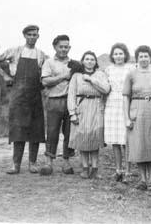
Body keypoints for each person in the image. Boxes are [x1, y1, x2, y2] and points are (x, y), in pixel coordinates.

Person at [0, 25, 48, 174]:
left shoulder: (41, 55)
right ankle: (16, 165)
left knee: (36, 129)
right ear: (25, 36)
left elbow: (48, 72)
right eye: (30, 34)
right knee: (18, 128)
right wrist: (4, 75)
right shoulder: (15, 51)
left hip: (35, 95)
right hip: (18, 95)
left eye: (35, 35)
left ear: (38, 37)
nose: (33, 37)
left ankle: (32, 164)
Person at [123, 45, 151, 190]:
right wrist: (127, 117)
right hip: (136, 109)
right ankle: (142, 179)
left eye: (146, 56)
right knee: (139, 144)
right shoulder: (131, 74)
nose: (144, 59)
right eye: (141, 56)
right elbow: (126, 97)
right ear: (137, 58)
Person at [67, 51, 110, 179]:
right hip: (82, 108)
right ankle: (85, 168)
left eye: (92, 59)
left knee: (95, 138)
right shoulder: (76, 76)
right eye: (87, 59)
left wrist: (91, 80)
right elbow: (71, 94)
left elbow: (106, 89)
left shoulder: (100, 75)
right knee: (83, 139)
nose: (90, 61)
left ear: (95, 62)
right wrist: (72, 113)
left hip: (97, 108)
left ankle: (95, 169)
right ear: (83, 61)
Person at [40, 35, 75, 176]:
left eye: (66, 47)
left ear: (69, 48)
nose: (63, 49)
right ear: (55, 47)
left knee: (69, 132)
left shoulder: (74, 63)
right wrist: (63, 77)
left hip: (70, 102)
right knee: (52, 131)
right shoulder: (48, 63)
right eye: (61, 46)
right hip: (54, 100)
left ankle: (66, 162)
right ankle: (49, 162)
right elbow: (45, 81)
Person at [104, 43, 134, 182]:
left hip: (126, 102)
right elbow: (105, 87)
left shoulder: (131, 68)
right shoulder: (108, 69)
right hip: (111, 104)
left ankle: (128, 171)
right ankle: (118, 170)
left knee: (126, 139)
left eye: (121, 53)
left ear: (125, 55)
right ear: (112, 56)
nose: (118, 56)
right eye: (115, 54)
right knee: (115, 140)